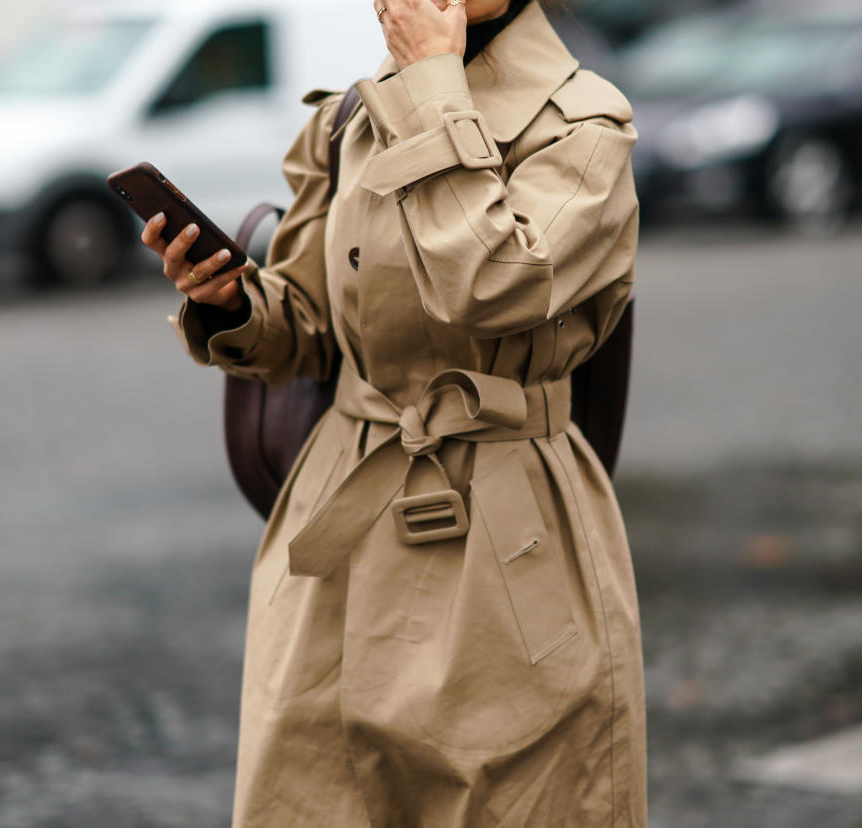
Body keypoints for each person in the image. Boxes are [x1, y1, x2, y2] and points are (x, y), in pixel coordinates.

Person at [139, 0, 644, 824]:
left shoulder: (585, 121)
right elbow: (308, 326)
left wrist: (431, 87)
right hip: (344, 534)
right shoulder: (349, 117)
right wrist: (233, 304)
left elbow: (493, 284)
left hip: (508, 537)